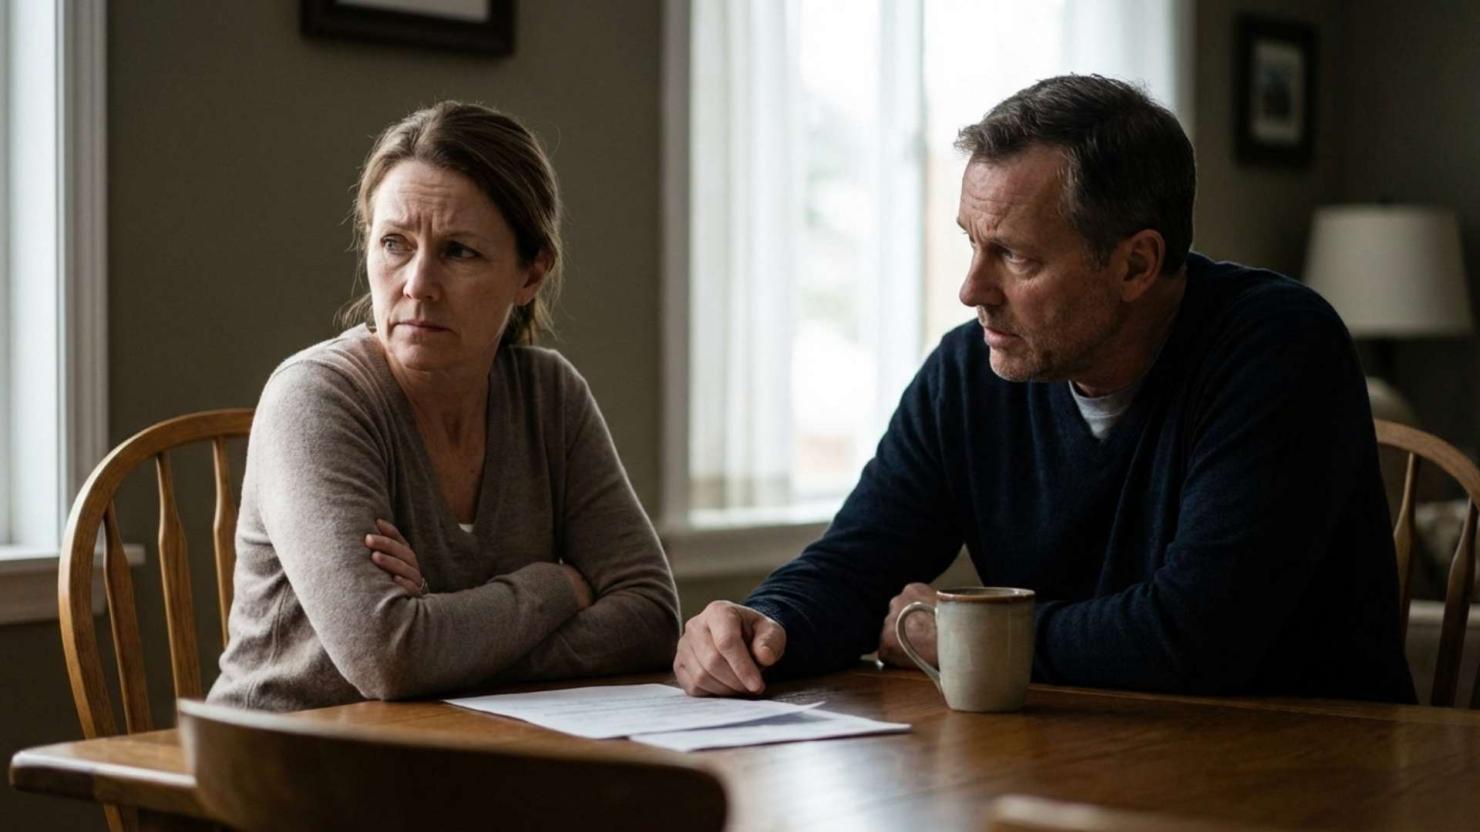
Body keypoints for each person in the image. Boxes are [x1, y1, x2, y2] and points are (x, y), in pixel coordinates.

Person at [673, 75, 1416, 704]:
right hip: (1079, 760)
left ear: (1135, 264)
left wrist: (963, 636)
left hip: (1308, 769)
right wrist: (761, 626)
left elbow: (1196, 637)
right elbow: (858, 563)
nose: (971, 290)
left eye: (1015, 257)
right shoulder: (971, 372)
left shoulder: (1279, 347)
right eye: (971, 241)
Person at [210, 102, 679, 711]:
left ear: (530, 274)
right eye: (394, 244)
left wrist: (445, 636)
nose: (417, 283)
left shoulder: (550, 396)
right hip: (279, 772)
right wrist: (556, 586)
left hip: (463, 763)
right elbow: (391, 657)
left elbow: (649, 614)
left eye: (459, 252)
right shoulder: (316, 398)